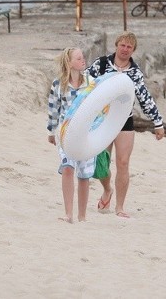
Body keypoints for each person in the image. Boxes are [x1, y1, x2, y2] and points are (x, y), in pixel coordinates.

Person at [87, 31, 165, 218]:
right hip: (103, 119)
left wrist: (158, 122)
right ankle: (107, 189)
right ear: (116, 45)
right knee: (102, 163)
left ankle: (120, 207)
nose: (125, 49)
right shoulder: (101, 64)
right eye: (122, 45)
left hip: (124, 120)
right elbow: (85, 85)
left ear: (133, 50)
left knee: (123, 163)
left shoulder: (135, 72)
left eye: (129, 47)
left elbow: (144, 98)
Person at [47, 47, 96, 223]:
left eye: (83, 58)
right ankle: (68, 214)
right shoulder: (58, 84)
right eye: (78, 58)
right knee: (68, 167)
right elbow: (53, 110)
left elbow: (100, 107)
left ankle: (82, 216)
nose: (83, 61)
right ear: (69, 63)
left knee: (84, 174)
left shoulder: (90, 82)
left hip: (87, 134)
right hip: (65, 133)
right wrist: (51, 132)